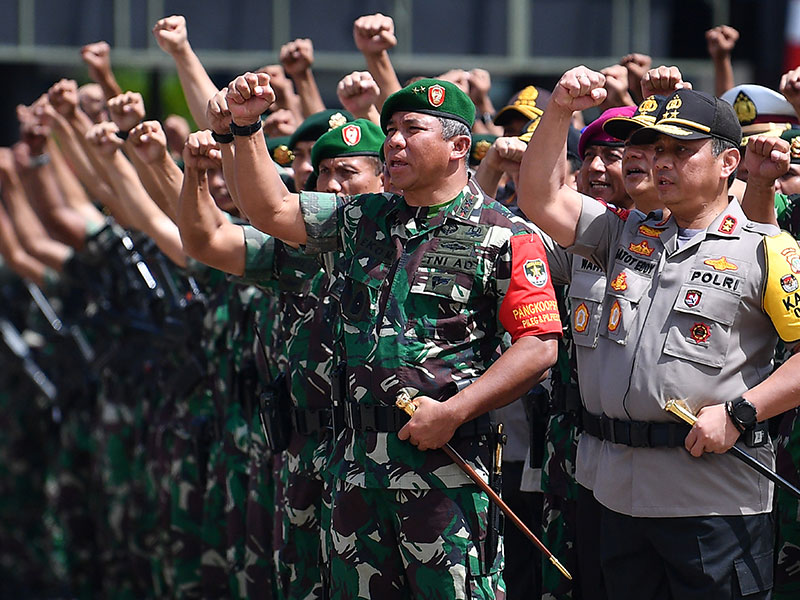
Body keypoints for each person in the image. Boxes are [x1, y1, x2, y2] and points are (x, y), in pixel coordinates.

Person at [224, 72, 561, 598]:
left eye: (412, 128)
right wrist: (246, 129)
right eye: (391, 130)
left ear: (458, 146)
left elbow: (539, 346)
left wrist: (454, 411)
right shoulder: (363, 216)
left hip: (445, 470)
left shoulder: (504, 233)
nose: (395, 142)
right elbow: (271, 210)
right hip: (354, 467)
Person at [519, 66, 800, 600]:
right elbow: (540, 198)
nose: (662, 162)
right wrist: (559, 110)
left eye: (681, 150)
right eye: (653, 149)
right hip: (612, 492)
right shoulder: (620, 231)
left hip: (710, 499)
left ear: (728, 162)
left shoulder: (768, 248)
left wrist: (744, 411)